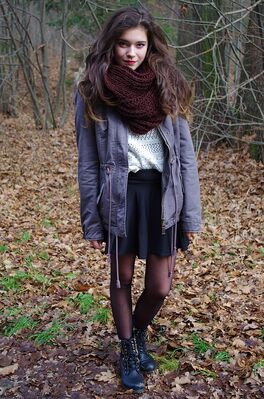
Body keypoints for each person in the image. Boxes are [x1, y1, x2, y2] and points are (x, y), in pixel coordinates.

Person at [75, 6, 201, 393]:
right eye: (124, 44)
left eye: (139, 45)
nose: (132, 53)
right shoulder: (93, 92)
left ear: (151, 47)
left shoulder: (168, 86)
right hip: (120, 196)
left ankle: (137, 333)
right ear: (111, 45)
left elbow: (185, 156)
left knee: (160, 286)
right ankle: (127, 348)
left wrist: (191, 218)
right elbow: (88, 163)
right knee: (122, 277)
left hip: (162, 195)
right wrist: (92, 223)